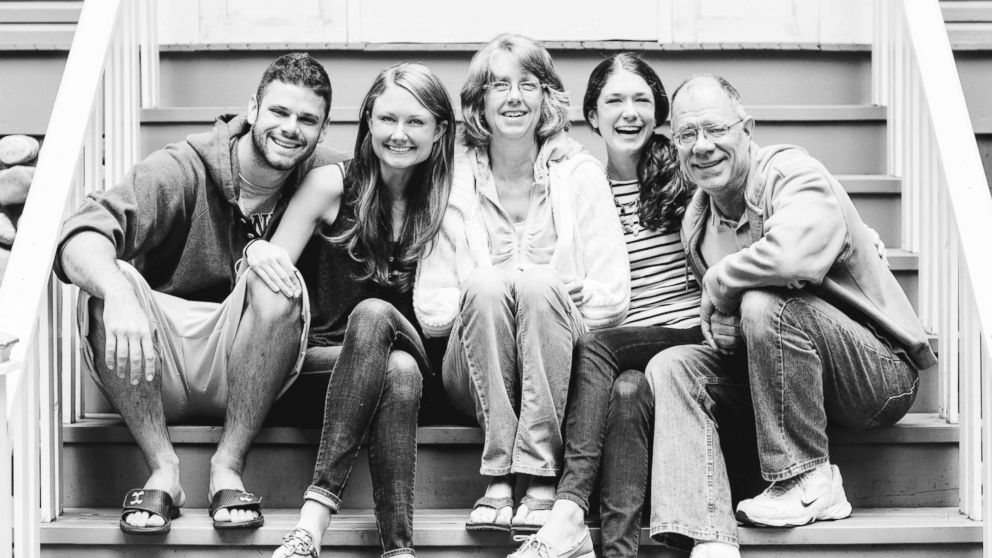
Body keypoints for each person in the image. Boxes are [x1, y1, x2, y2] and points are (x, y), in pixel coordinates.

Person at [643, 74, 935, 558]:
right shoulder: (696, 222)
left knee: (765, 302)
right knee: (672, 366)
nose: (702, 146)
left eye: (715, 129)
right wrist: (723, 328)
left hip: (877, 375)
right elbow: (742, 325)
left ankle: (808, 478)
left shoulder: (790, 171)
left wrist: (721, 282)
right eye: (686, 134)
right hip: (788, 381)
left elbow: (795, 255)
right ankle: (707, 535)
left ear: (747, 129)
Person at [53, 52, 345, 535]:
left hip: (250, 359)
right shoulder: (181, 168)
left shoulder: (324, 178)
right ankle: (164, 470)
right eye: (279, 111)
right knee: (111, 282)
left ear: (323, 129)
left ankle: (227, 467)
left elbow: (400, 182)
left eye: (307, 119)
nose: (291, 128)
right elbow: (81, 234)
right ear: (252, 108)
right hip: (155, 356)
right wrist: (119, 294)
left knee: (277, 286)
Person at [413, 33, 629, 542]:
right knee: (489, 283)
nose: (513, 97)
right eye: (498, 85)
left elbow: (615, 296)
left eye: (527, 85)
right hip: (474, 373)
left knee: (538, 286)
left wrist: (557, 295)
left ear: (546, 97)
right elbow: (431, 309)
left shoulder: (580, 176)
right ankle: (503, 471)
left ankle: (529, 478)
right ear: (479, 102)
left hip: (559, 373)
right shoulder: (453, 181)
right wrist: (490, 289)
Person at [512, 53, 703, 558]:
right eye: (614, 100)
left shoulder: (686, 170)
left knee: (599, 348)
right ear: (592, 116)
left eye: (642, 99)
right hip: (622, 354)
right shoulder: (576, 183)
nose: (630, 111)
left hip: (685, 338)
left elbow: (757, 200)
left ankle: (568, 506)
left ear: (659, 112)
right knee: (625, 391)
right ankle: (616, 551)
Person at [266, 62, 455, 558]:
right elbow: (269, 274)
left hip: (419, 362)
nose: (399, 134)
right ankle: (398, 549)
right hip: (320, 370)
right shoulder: (331, 184)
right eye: (387, 118)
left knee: (379, 325)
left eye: (415, 122)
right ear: (368, 120)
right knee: (393, 367)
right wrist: (255, 252)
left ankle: (313, 521)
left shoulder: (449, 202)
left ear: (439, 132)